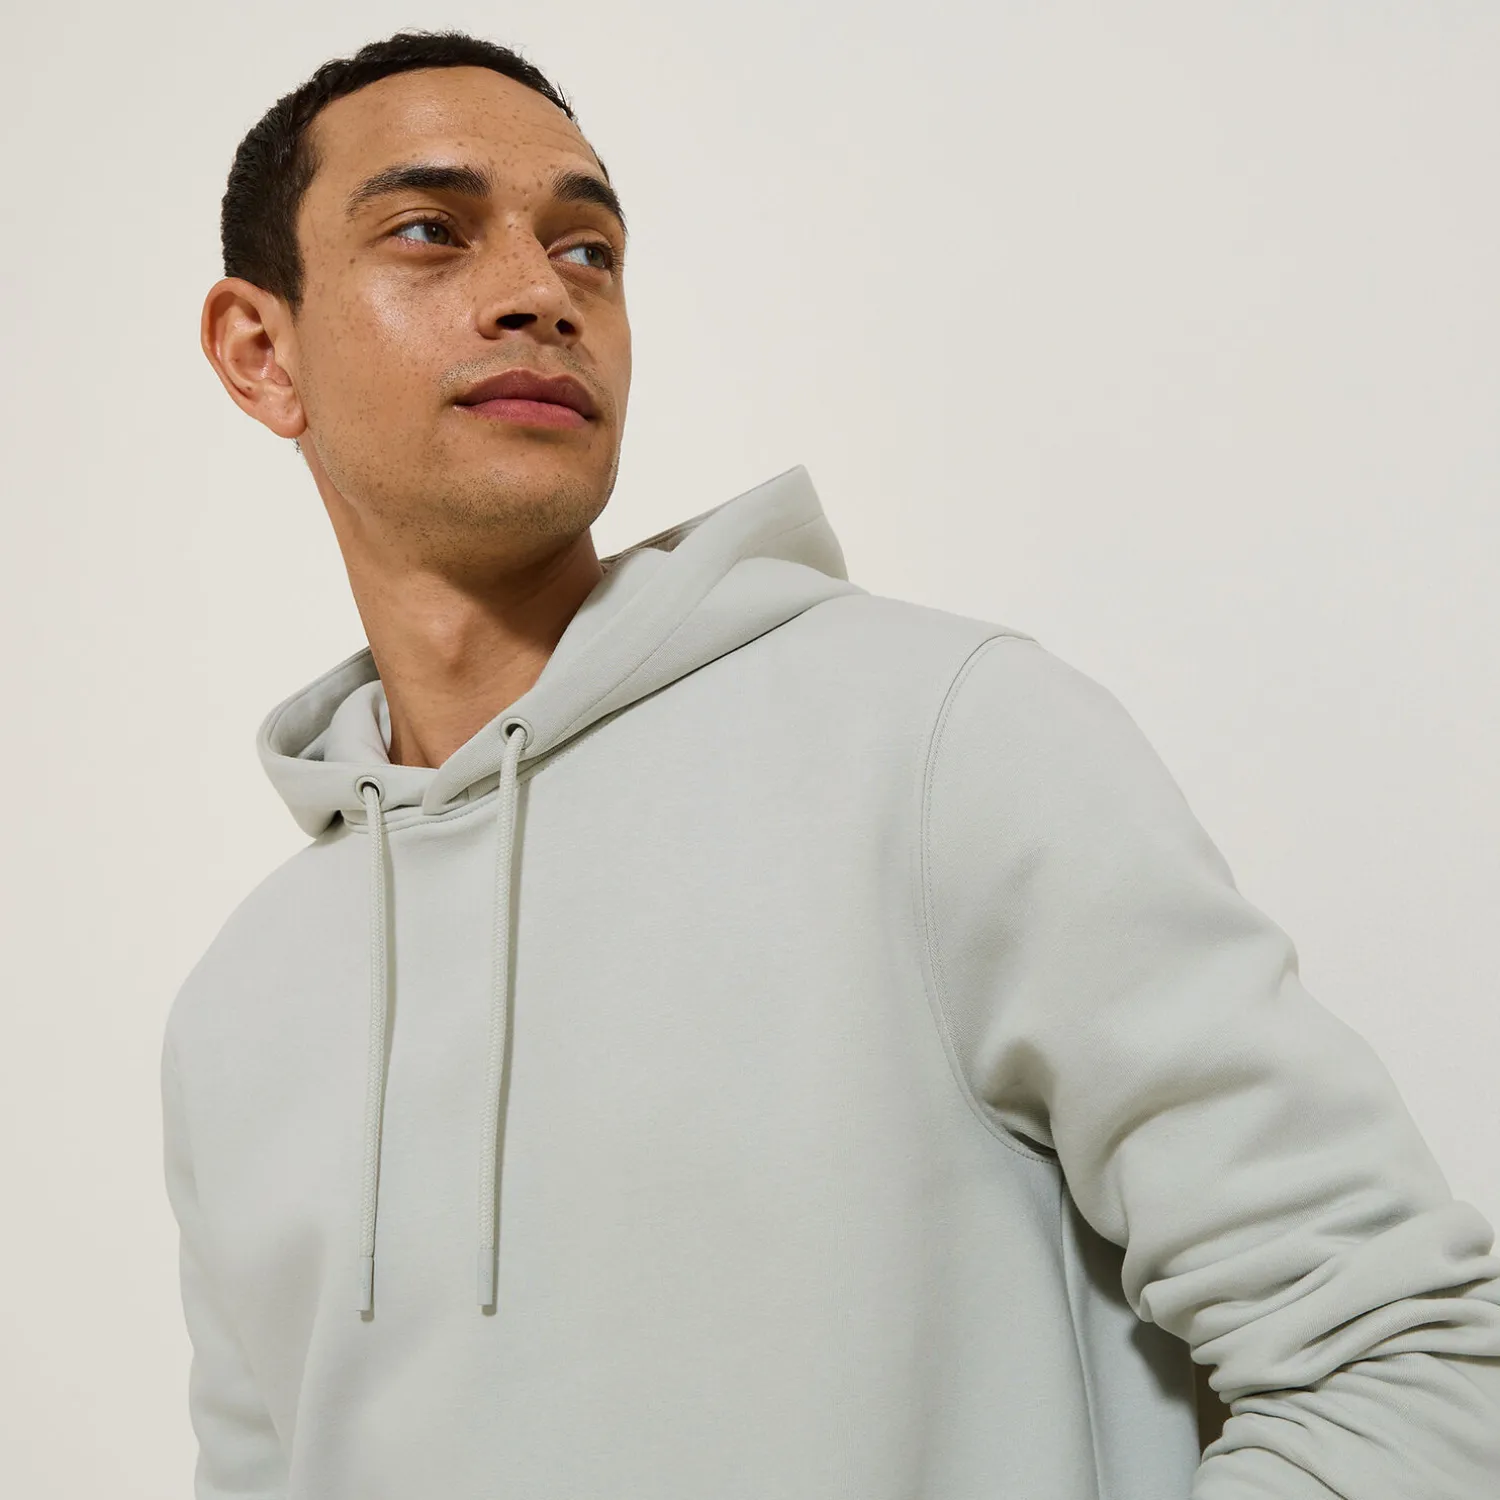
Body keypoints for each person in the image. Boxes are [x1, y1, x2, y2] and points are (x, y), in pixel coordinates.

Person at [165, 25, 1500, 1499]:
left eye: (587, 248)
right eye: (432, 231)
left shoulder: (944, 742)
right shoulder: (240, 1010)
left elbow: (1412, 1366)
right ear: (261, 352)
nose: (539, 292)